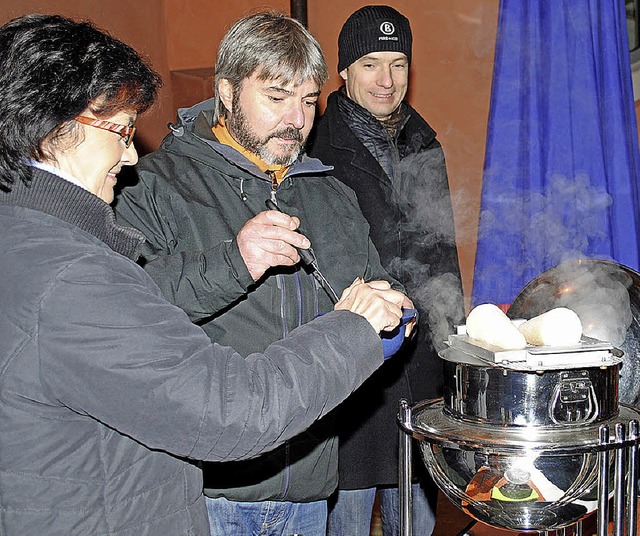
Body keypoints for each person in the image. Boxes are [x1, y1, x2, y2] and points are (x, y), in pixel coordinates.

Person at [0, 13, 412, 536]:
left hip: (307, 480)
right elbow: (139, 312)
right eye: (277, 97)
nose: (296, 119)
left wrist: (391, 312)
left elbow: (373, 287)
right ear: (227, 92)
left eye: (308, 102)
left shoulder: (332, 194)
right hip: (213, 491)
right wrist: (234, 263)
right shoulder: (149, 187)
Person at [307, 5, 465, 536]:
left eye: (398, 64)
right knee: (347, 513)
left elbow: (443, 256)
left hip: (419, 363)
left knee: (417, 513)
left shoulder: (425, 145)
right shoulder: (315, 150)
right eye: (370, 64)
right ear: (345, 71)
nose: (386, 80)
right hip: (353, 354)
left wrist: (455, 348)